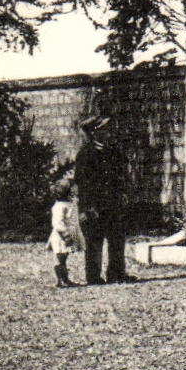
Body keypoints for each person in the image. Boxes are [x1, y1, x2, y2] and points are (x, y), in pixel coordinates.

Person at [74, 113, 133, 284]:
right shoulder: (85, 154)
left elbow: (121, 176)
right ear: (94, 132)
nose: (109, 133)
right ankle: (93, 276)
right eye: (104, 130)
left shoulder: (113, 152)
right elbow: (82, 183)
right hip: (94, 206)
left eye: (108, 129)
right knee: (94, 241)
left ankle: (116, 273)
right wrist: (87, 207)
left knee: (117, 239)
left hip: (113, 204)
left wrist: (123, 193)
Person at [46, 174, 84, 288]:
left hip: (69, 234)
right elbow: (57, 223)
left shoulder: (70, 204)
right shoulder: (59, 206)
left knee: (64, 256)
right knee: (59, 257)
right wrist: (65, 234)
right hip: (61, 236)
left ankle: (65, 278)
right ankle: (60, 279)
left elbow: (73, 218)